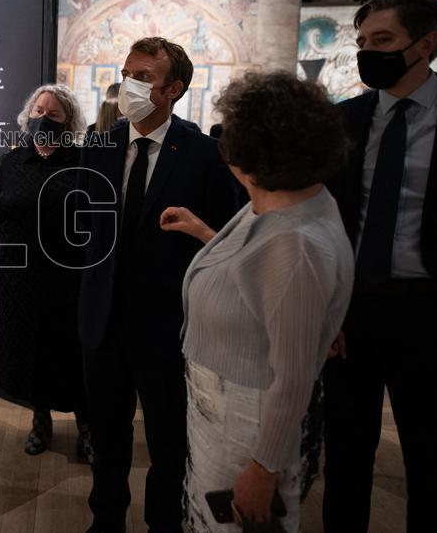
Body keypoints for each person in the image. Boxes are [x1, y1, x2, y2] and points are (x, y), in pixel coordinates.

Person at [160, 71, 354, 532]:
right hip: (224, 413)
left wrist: (263, 470)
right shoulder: (283, 197)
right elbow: (255, 271)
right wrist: (205, 232)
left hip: (247, 427)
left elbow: (293, 378)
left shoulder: (296, 246)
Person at [74, 37, 240, 532]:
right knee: (107, 439)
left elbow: (228, 243)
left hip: (170, 326)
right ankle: (106, 522)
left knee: (169, 444)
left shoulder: (206, 154)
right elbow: (85, 232)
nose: (130, 84)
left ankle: (162, 526)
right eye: (127, 72)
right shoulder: (97, 147)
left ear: (174, 89)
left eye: (144, 77)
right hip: (102, 321)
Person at [323, 0, 437, 532]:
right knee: (345, 456)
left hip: (429, 314)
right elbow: (323, 223)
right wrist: (328, 311)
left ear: (427, 44)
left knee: (429, 460)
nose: (370, 52)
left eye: (384, 41)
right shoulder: (346, 120)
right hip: (355, 312)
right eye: (363, 42)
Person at [0, 84, 94, 463]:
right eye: (38, 111)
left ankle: (86, 426)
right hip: (21, 279)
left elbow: (96, 220)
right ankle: (40, 420)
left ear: (69, 122)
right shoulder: (10, 163)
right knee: (29, 350)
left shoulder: (84, 163)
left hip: (71, 279)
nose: (43, 118)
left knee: (72, 351)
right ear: (27, 115)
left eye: (54, 114)